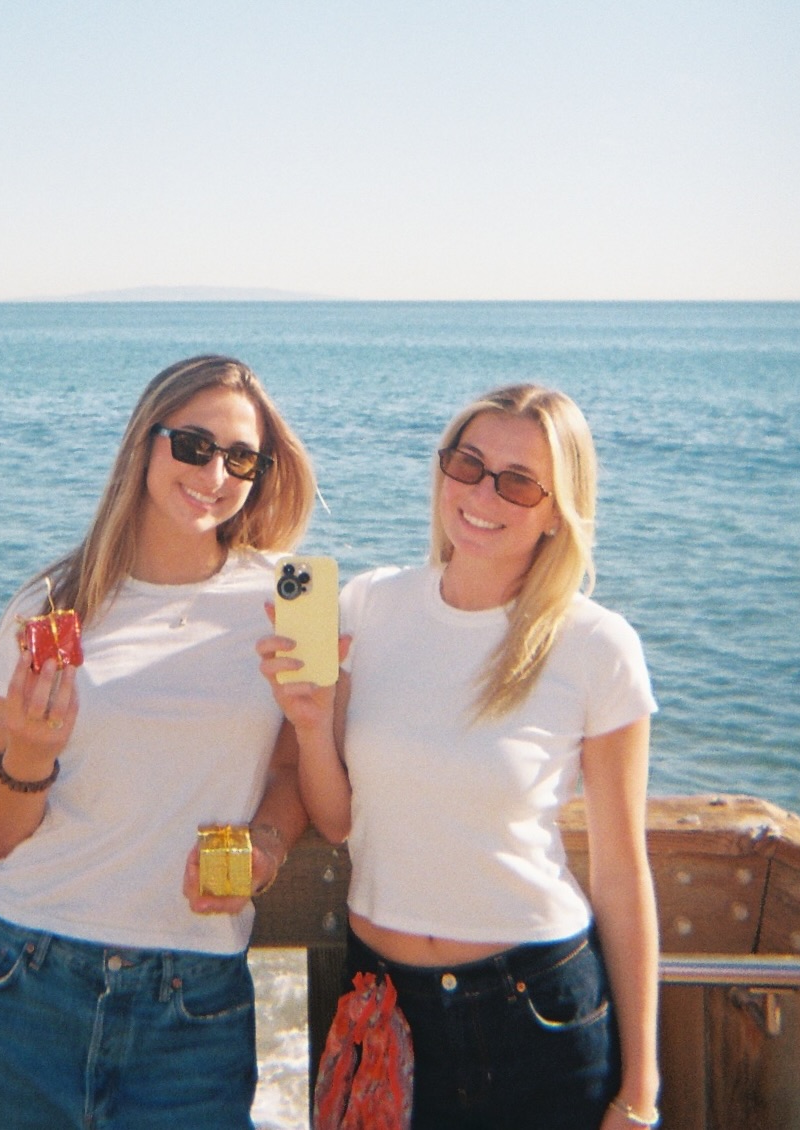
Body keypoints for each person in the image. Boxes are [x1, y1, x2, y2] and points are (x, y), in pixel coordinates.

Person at [261, 383, 660, 1130]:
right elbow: (341, 821)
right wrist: (311, 727)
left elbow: (619, 868)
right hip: (381, 1004)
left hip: (535, 1011)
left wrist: (639, 1090)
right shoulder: (371, 605)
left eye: (516, 481)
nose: (482, 493)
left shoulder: (596, 645)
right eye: (467, 464)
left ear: (555, 510)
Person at [0, 354, 316, 1130]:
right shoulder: (53, 604)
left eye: (240, 458)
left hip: (194, 999)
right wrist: (31, 758)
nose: (215, 473)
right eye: (193, 445)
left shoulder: (296, 595)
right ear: (144, 443)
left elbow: (297, 765)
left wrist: (267, 850)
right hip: (24, 979)